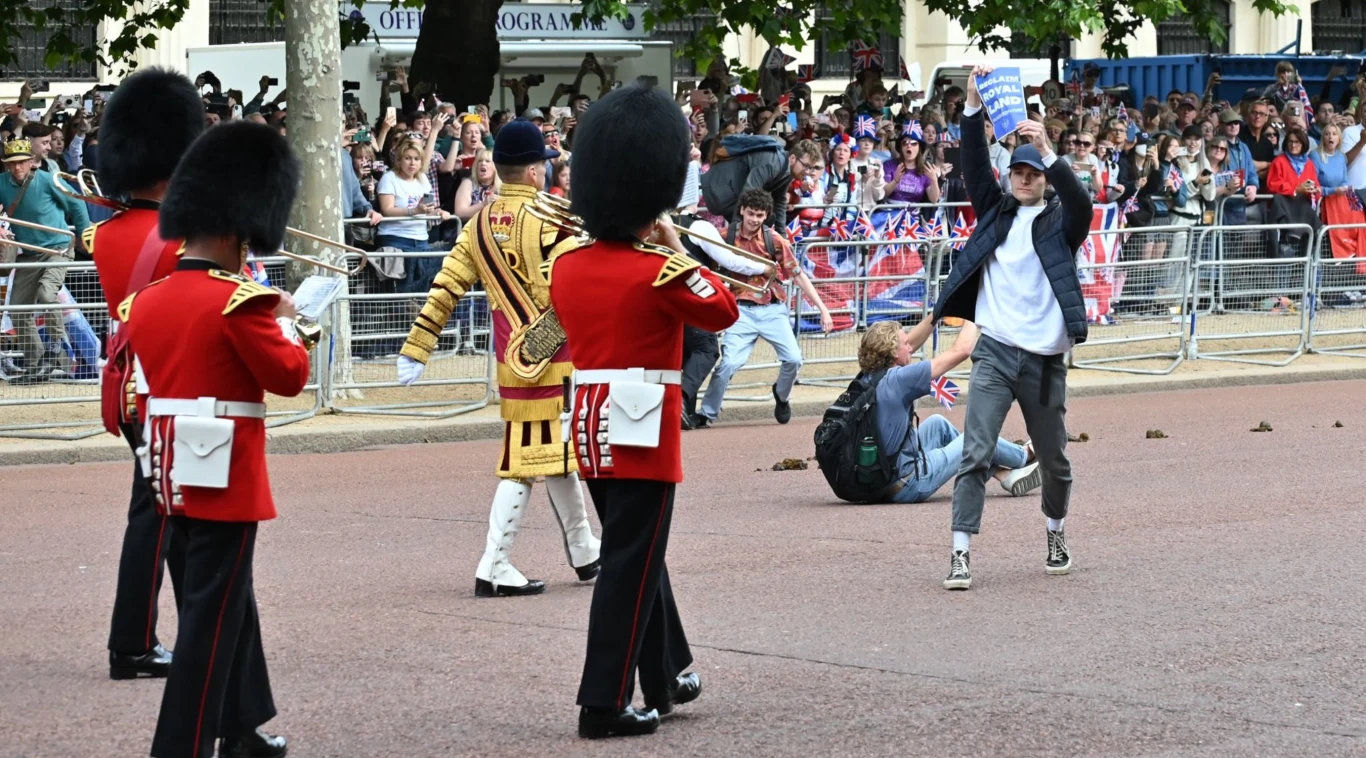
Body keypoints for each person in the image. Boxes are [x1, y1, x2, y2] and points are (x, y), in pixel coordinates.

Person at [550, 81, 740, 740]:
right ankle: (601, 701)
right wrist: (674, 245)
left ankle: (659, 679)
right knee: (630, 567)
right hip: (641, 429)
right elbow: (721, 309)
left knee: (636, 555)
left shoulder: (569, 267)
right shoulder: (656, 271)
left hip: (590, 422)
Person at [124, 121, 304, 758]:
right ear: (233, 230)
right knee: (210, 617)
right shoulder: (240, 302)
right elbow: (288, 378)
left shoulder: (146, 300)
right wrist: (290, 326)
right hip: (226, 477)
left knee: (231, 605)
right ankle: (184, 744)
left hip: (170, 470)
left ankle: (243, 727)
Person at [395, 119, 602, 597]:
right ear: (532, 172)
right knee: (525, 461)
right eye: (544, 167)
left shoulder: (478, 223)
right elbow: (577, 287)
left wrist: (418, 346)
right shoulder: (553, 222)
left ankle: (585, 549)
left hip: (512, 358)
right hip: (553, 357)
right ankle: (494, 563)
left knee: (557, 456)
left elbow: (447, 286)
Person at [932, 66, 1092, 591]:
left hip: (1044, 361)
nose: (1024, 178)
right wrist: (974, 105)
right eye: (1018, 171)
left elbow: (1084, 204)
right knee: (976, 452)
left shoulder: (1059, 222)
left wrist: (1047, 148)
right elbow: (972, 161)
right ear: (1009, 177)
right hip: (996, 353)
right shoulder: (994, 212)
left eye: (1033, 172)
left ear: (1043, 178)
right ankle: (960, 553)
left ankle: (1055, 531)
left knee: (1055, 460)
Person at [85, 68, 205, 681]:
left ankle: (173, 636)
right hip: (175, 387)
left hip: (131, 388)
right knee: (162, 517)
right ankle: (132, 644)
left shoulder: (105, 233)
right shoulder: (184, 238)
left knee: (167, 513)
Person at [855, 319, 1041, 504]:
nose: (911, 347)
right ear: (893, 351)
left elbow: (908, 343)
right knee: (973, 438)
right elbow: (961, 351)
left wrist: (938, 313)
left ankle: (1004, 474)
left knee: (938, 425)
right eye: (906, 344)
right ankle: (1024, 455)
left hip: (882, 478)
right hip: (907, 484)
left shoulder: (867, 376)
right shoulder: (899, 379)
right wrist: (972, 314)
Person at [697, 187, 832, 427]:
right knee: (728, 364)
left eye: (759, 215)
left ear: (766, 216)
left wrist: (823, 309)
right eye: (751, 213)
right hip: (739, 310)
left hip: (772, 308)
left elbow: (798, 275)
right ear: (742, 211)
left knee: (793, 359)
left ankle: (781, 396)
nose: (754, 219)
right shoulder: (726, 235)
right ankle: (707, 413)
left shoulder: (775, 240)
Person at [0, 138, 91, 383]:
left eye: (21, 162)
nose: (17, 168)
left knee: (47, 294)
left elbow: (77, 204)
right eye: (11, 163)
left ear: (31, 162)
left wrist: (84, 234)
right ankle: (34, 364)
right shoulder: (2, 183)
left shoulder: (49, 179)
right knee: (17, 310)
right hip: (29, 253)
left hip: (57, 249)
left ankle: (55, 348)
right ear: (5, 165)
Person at [700, 131, 824, 226]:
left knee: (768, 219)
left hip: (729, 194)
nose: (808, 172)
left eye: (811, 168)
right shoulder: (772, 162)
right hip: (718, 190)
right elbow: (748, 194)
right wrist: (736, 233)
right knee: (763, 219)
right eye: (806, 166)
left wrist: (782, 237)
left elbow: (779, 201)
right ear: (792, 159)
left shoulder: (788, 169)